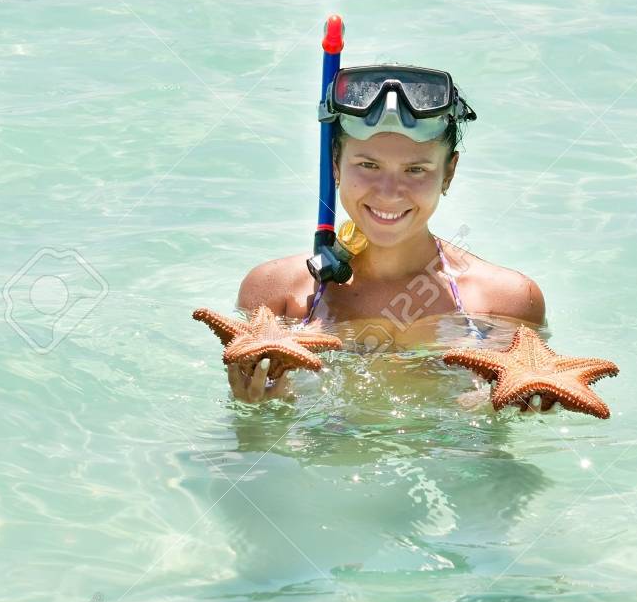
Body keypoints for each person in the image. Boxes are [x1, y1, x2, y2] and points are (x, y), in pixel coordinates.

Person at [229, 64, 546, 405]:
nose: (389, 192)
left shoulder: (506, 302)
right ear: (335, 162)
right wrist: (259, 409)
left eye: (416, 170)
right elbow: (252, 441)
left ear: (448, 173)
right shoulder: (276, 294)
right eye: (368, 165)